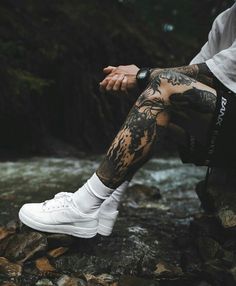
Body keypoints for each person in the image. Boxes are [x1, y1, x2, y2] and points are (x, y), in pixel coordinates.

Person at [19, 3, 236, 238]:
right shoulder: (226, 20)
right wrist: (144, 81)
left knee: (163, 85)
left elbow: (214, 73)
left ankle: (83, 207)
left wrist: (142, 74)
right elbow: (191, 80)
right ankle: (107, 202)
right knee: (157, 96)